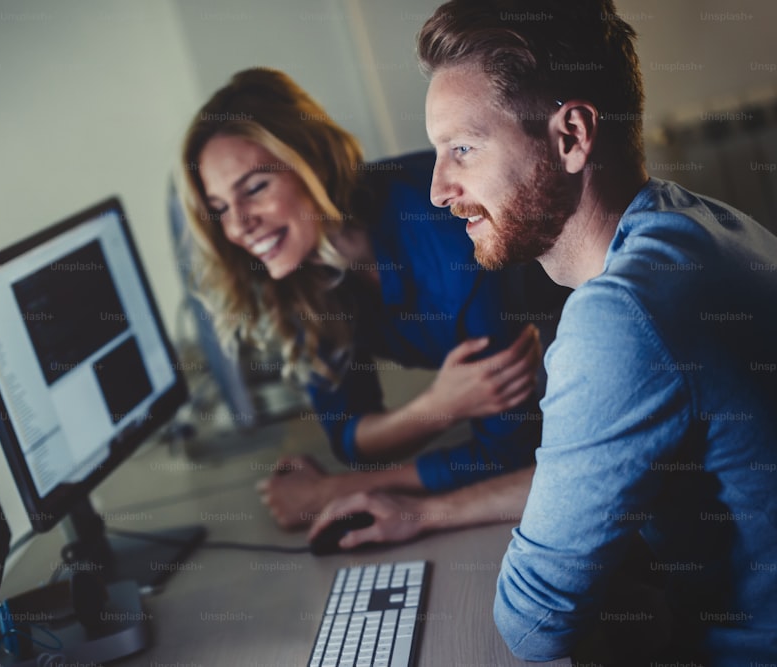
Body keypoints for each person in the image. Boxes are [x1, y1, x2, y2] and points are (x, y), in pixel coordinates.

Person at [311, 0, 777, 663]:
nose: (440, 190)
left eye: (463, 149)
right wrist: (426, 513)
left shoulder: (622, 316)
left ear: (571, 136)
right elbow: (588, 472)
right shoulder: (693, 222)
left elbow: (533, 627)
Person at [178, 68, 567, 530]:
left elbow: (511, 457)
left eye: (256, 188)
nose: (239, 226)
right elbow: (348, 434)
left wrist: (332, 491)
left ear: (314, 163)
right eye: (220, 209)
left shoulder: (450, 236)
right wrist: (436, 408)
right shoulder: (308, 271)